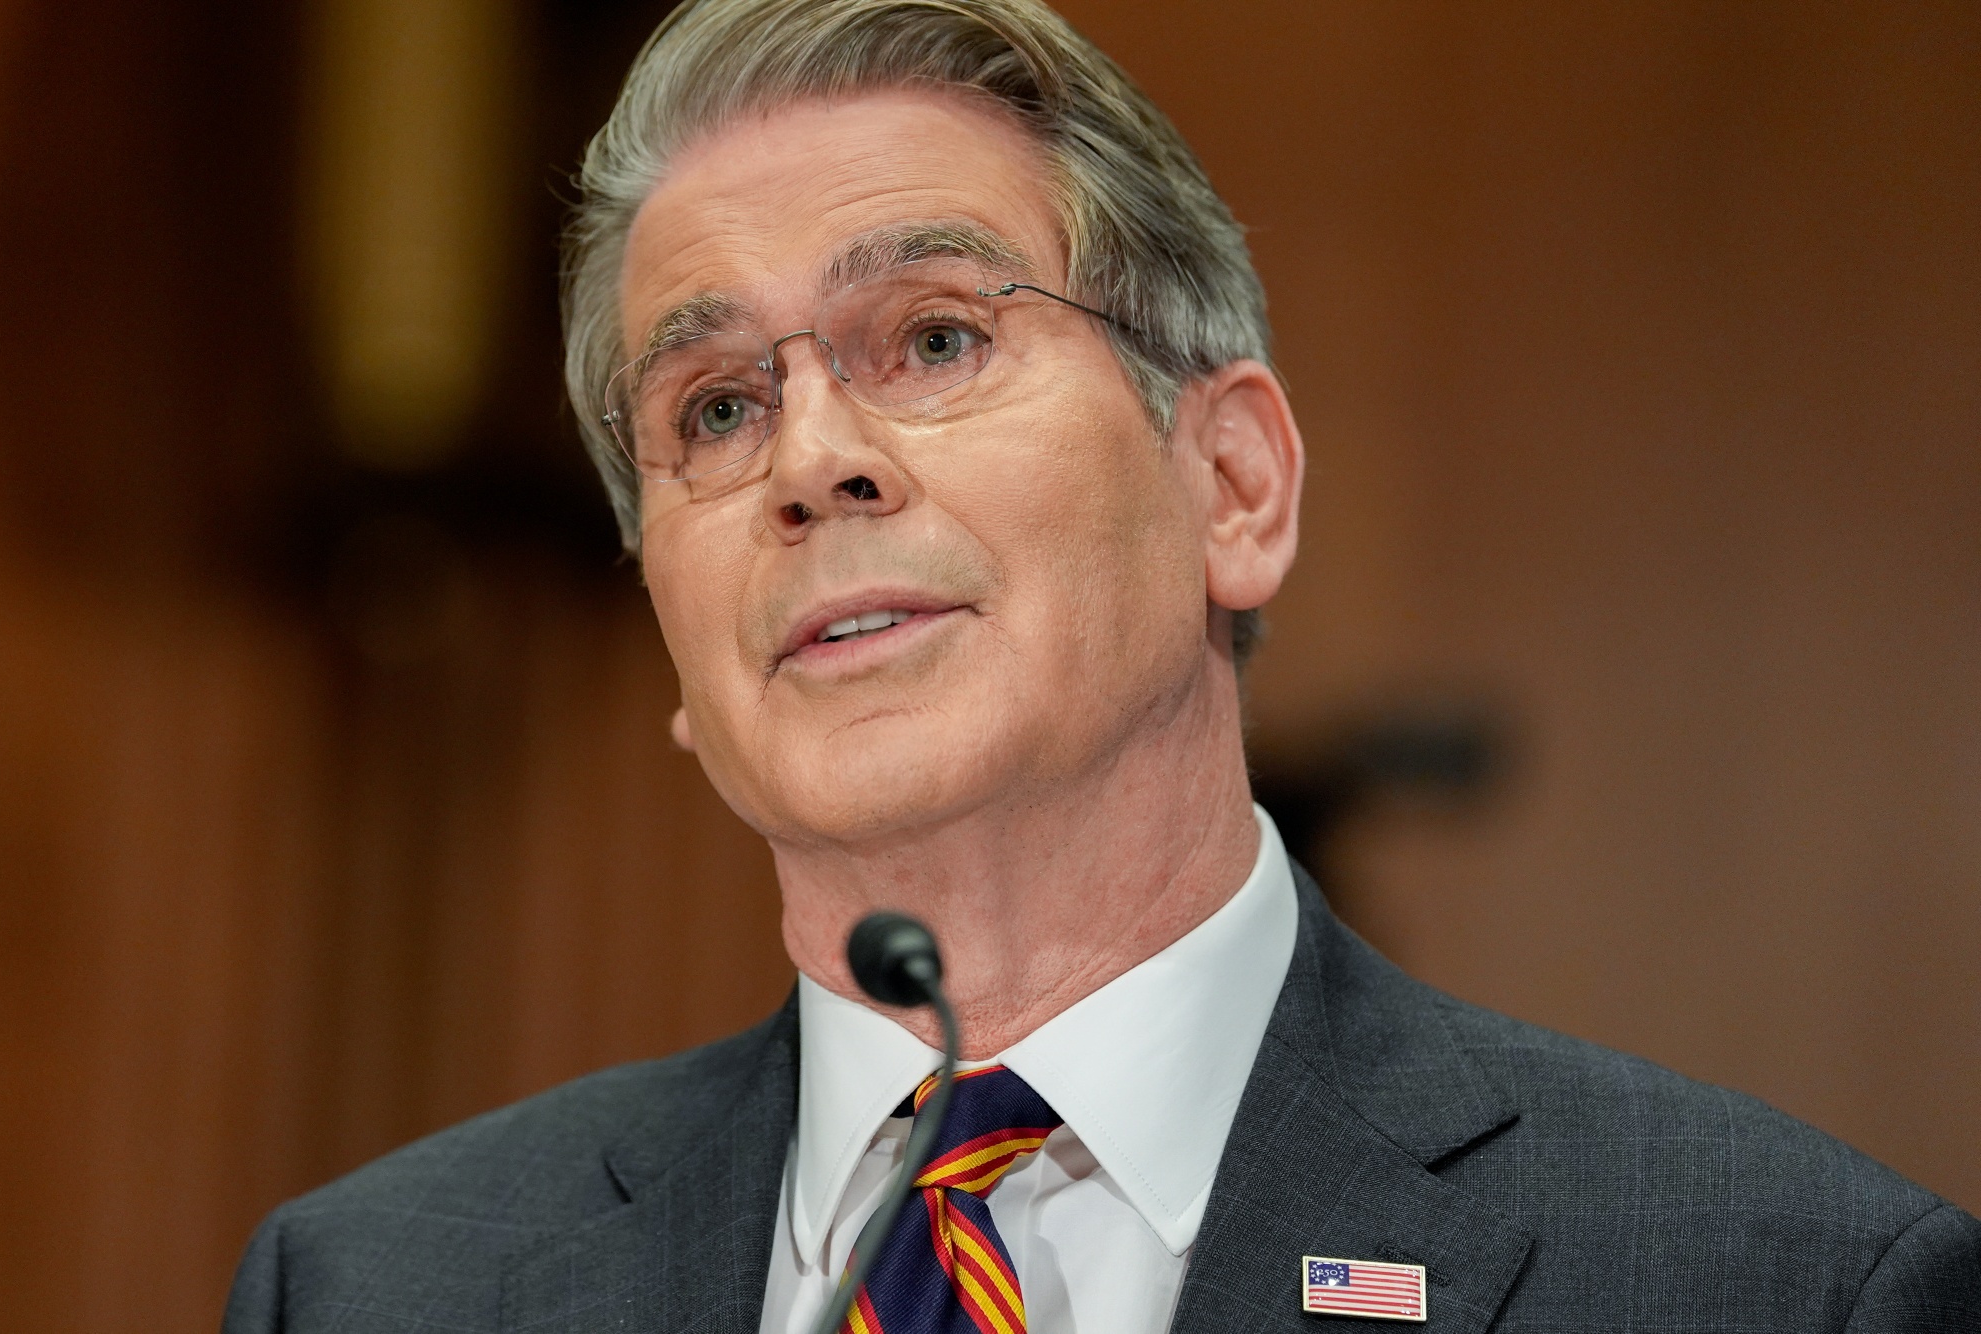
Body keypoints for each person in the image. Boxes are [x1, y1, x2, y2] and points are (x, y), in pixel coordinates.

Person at [223, 1, 1981, 1330]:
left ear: (1232, 485)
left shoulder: (1782, 1283)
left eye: (932, 335)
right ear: (675, 640)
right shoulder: (373, 1286)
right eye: (717, 408)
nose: (812, 459)